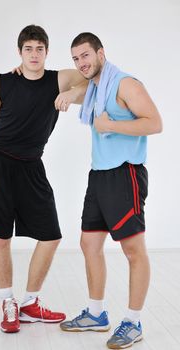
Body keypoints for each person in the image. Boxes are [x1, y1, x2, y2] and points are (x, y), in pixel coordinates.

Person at [0, 24, 86, 333]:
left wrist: (72, 92)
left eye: (39, 49)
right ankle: (8, 302)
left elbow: (94, 77)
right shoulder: (2, 82)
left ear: (47, 52)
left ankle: (29, 304)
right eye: (28, 49)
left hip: (32, 166)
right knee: (1, 237)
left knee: (50, 235)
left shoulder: (58, 78)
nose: (34, 54)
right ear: (20, 52)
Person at [55, 32, 162, 349]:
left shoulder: (126, 84)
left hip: (125, 173)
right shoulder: (94, 88)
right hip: (99, 175)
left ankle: (133, 321)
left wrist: (111, 125)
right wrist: (68, 92)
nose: (81, 63)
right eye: (76, 59)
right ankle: (97, 314)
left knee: (133, 250)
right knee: (89, 244)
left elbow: (155, 122)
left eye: (85, 56)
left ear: (101, 53)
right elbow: (72, 89)